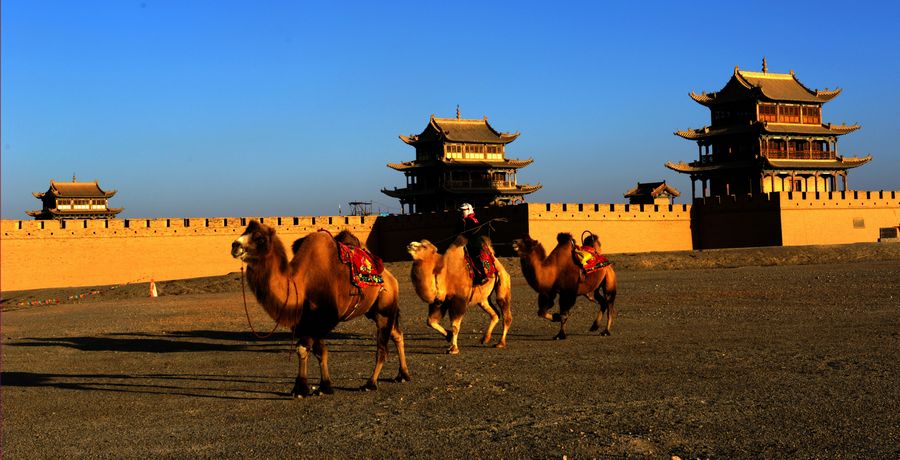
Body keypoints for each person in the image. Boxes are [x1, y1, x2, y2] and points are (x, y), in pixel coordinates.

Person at [457, 203, 488, 284]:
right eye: (461, 210)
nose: (462, 212)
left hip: (474, 245)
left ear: (468, 210)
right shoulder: (462, 221)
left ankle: (483, 276)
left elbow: (474, 232)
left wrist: (465, 234)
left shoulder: (472, 220)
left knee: (474, 259)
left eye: (464, 210)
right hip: (463, 245)